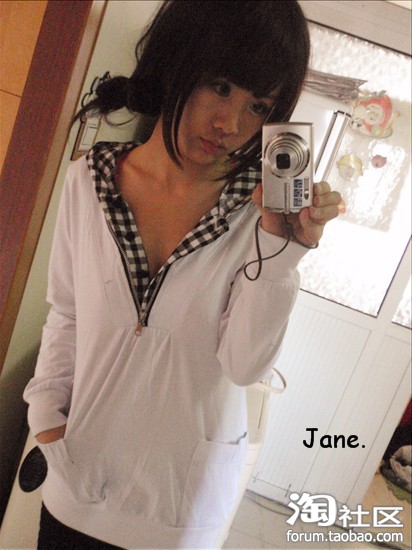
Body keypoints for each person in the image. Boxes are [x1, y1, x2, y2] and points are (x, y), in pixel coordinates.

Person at [23, 1, 343, 548]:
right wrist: (47, 420)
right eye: (220, 87)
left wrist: (282, 251)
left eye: (258, 106)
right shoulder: (89, 180)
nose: (231, 125)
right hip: (73, 488)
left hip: (178, 514)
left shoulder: (258, 214)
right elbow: (68, 314)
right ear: (178, 61)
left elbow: (244, 366)